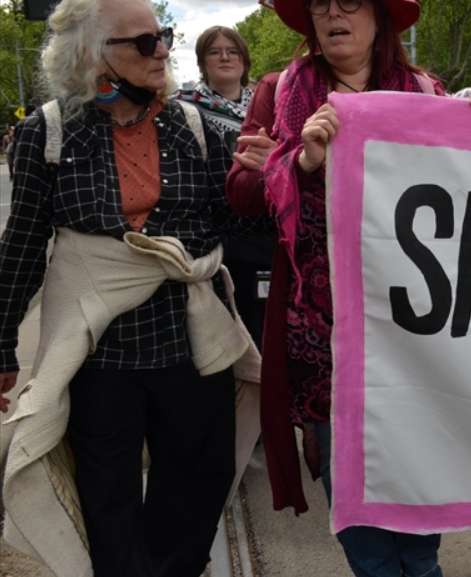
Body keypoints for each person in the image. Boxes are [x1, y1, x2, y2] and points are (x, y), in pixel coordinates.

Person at [0, 0, 269, 574]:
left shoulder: (192, 125)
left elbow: (237, 226)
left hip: (192, 349)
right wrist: (1, 346)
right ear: (94, 56)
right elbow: (22, 245)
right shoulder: (45, 134)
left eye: (163, 36)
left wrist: (262, 185)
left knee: (199, 485)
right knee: (108, 504)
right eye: (144, 42)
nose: (163, 51)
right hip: (100, 358)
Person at [226, 0, 450, 575]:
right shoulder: (279, 91)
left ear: (381, 18)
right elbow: (241, 196)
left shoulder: (428, 94)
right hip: (322, 332)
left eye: (348, 0)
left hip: (416, 325)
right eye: (320, 3)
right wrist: (297, 161)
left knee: (419, 472)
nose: (332, 13)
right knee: (349, 476)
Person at [172, 26, 275, 349]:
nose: (225, 57)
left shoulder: (270, 105)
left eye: (232, 51)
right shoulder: (182, 110)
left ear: (244, 60)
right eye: (215, 52)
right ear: (203, 62)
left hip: (267, 233)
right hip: (215, 238)